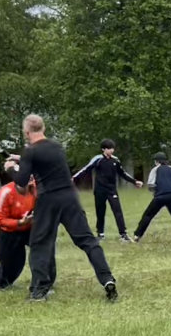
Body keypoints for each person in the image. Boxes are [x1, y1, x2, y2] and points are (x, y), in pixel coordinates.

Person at [15, 114, 118, 302]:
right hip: (70, 197)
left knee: (40, 244)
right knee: (87, 241)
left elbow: (21, 185)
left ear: (26, 131)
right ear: (43, 128)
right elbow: (47, 163)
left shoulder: (30, 151)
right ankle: (107, 279)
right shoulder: (57, 147)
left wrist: (11, 168)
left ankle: (39, 291)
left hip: (48, 200)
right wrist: (23, 160)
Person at [73, 139, 142, 243]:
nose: (111, 151)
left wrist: (134, 181)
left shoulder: (115, 160)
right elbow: (86, 169)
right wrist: (74, 178)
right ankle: (100, 234)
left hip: (111, 190)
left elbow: (122, 173)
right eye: (109, 149)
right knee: (100, 212)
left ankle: (123, 235)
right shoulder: (98, 159)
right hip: (100, 190)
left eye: (112, 148)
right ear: (103, 149)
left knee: (117, 211)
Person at [0, 158, 35, 289]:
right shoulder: (5, 193)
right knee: (7, 278)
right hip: (10, 233)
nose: (29, 179)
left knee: (44, 250)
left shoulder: (35, 189)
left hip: (30, 230)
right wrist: (20, 222)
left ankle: (43, 283)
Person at [133, 151, 171, 243]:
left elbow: (151, 184)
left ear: (156, 161)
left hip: (159, 197)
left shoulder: (155, 170)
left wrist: (156, 191)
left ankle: (137, 235)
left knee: (148, 215)